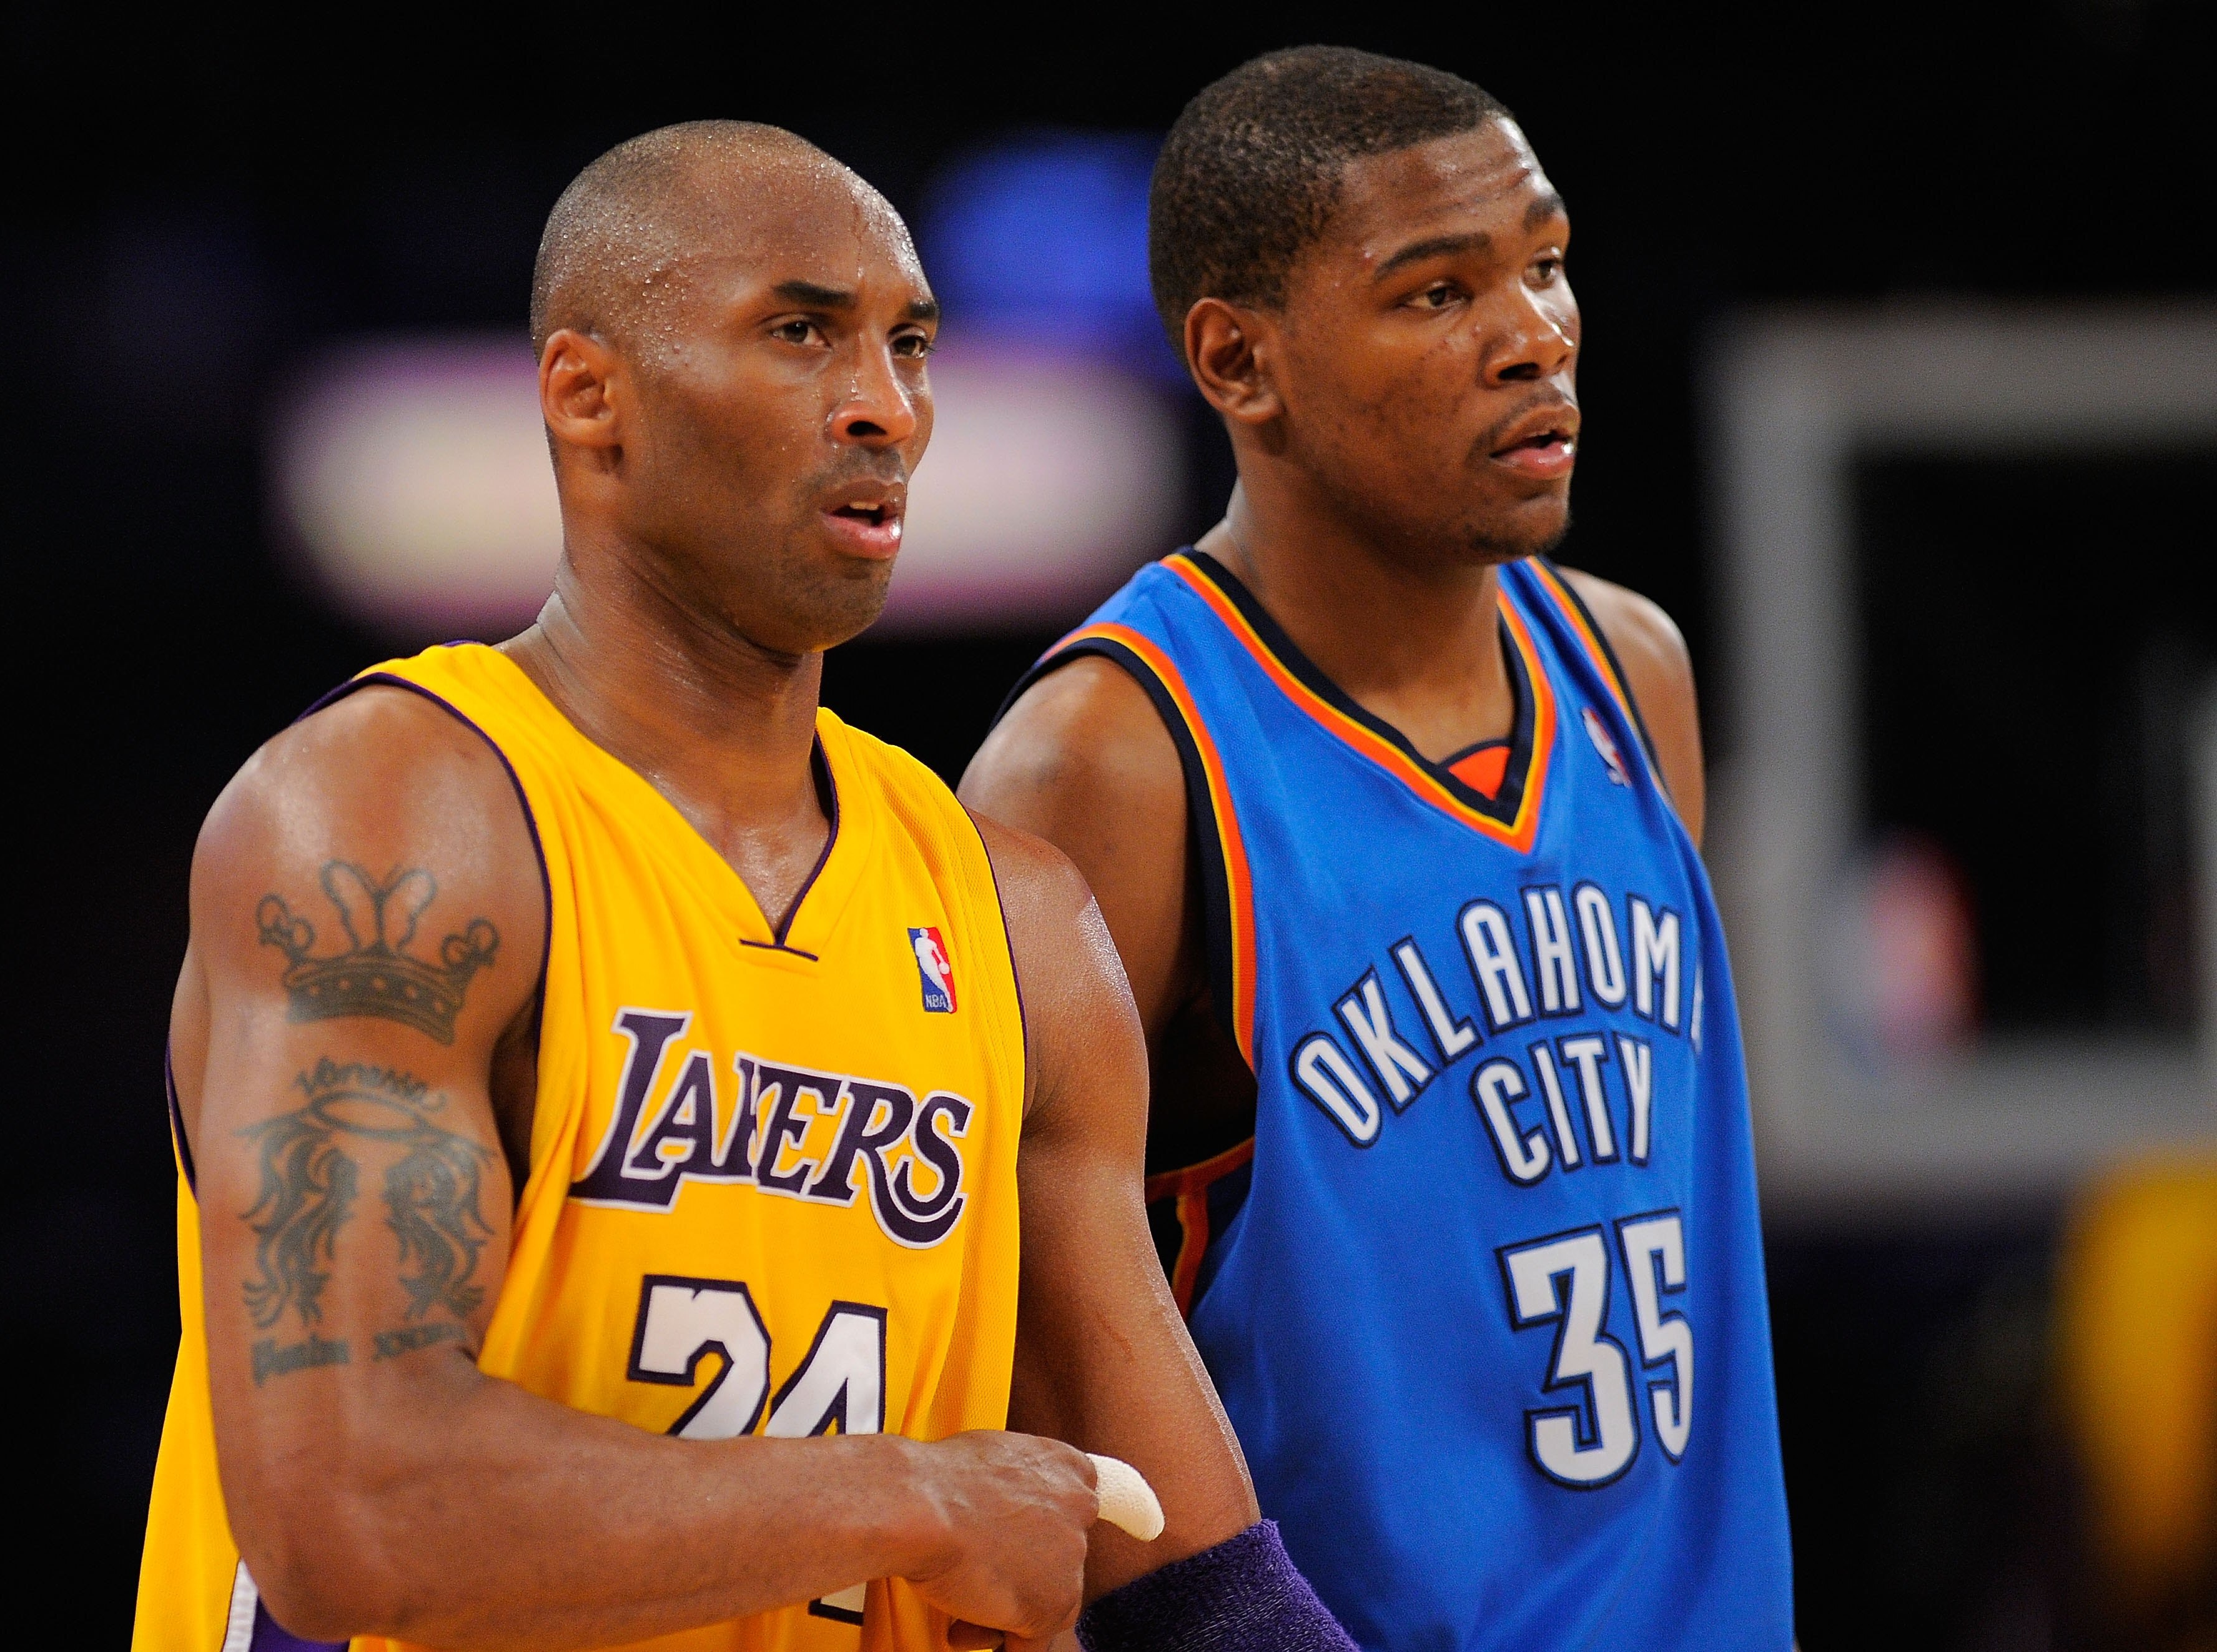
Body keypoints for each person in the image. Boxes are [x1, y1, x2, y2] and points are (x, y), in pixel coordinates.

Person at [132, 121, 1361, 1652]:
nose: (886, 407)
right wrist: (904, 1500)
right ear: (590, 398)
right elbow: (353, 1511)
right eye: (800, 334)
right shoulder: (399, 821)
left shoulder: (1013, 921)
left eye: (910, 344)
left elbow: (1194, 1592)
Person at [962, 50, 1793, 1648]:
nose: (1534, 335)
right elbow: (1007, 1354)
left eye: (1544, 267)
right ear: (1237, 361)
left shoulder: (1633, 673)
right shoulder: (1108, 768)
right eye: (1435, 293)